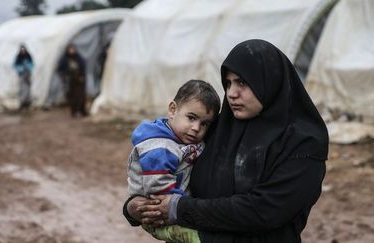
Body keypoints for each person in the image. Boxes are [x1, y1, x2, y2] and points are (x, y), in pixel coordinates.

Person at [123, 39, 329, 243]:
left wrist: (179, 208)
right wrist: (135, 206)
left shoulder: (303, 143)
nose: (232, 93)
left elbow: (265, 210)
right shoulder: (218, 130)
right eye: (228, 83)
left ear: (269, 81)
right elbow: (169, 166)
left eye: (242, 82)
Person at [127, 79, 221, 242]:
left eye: (204, 124)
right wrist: (183, 207)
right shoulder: (160, 146)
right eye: (191, 118)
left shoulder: (181, 139)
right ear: (172, 110)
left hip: (174, 207)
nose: (196, 128)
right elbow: (158, 186)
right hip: (157, 212)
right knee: (196, 238)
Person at [58, 43, 87, 117]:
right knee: (72, 97)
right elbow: (60, 69)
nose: (72, 51)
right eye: (70, 49)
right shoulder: (64, 59)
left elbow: (82, 67)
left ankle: (82, 111)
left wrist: (82, 76)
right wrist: (64, 77)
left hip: (79, 80)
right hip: (70, 81)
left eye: (73, 49)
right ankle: (74, 111)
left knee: (81, 96)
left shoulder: (78, 58)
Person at [13, 44, 34, 111]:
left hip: (28, 75)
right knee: (22, 89)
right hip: (21, 75)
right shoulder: (18, 58)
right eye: (22, 50)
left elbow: (32, 64)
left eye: (24, 50)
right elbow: (15, 65)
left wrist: (28, 66)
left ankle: (27, 102)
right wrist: (21, 68)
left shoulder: (28, 56)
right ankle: (22, 103)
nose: (23, 51)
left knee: (28, 88)